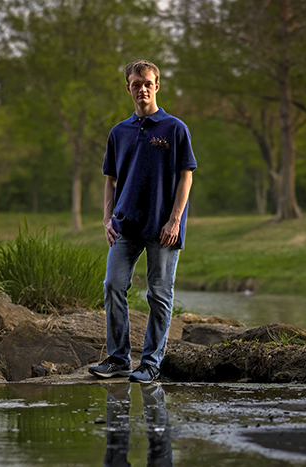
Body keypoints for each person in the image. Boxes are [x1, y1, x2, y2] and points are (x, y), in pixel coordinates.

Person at [88, 60, 196, 383]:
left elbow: (185, 177)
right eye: (136, 84)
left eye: (148, 83)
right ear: (128, 88)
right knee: (112, 285)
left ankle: (150, 363)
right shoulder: (118, 132)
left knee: (159, 294)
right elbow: (110, 179)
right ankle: (119, 358)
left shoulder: (175, 129)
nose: (142, 89)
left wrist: (175, 219)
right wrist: (107, 218)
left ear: (157, 85)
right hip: (126, 225)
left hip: (163, 227)